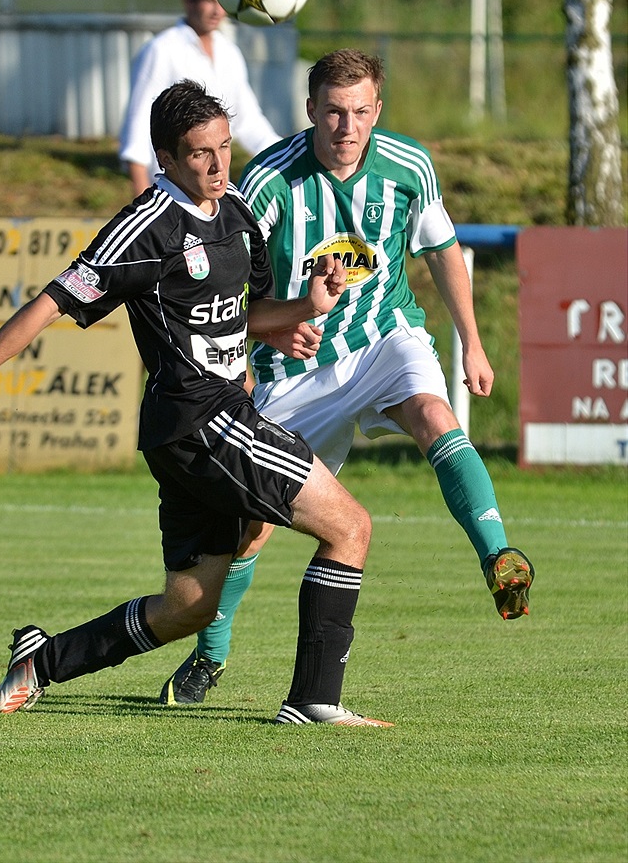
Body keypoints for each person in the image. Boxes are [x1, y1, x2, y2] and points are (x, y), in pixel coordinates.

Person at [0, 80, 393, 728]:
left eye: (225, 148)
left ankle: (45, 661)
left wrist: (303, 310)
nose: (218, 165)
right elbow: (52, 302)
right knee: (350, 527)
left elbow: (246, 314)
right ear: (165, 160)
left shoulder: (237, 214)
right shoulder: (145, 225)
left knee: (191, 605)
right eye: (200, 153)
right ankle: (313, 699)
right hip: (202, 419)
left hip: (203, 425)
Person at [159, 49, 535, 707]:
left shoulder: (410, 166)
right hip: (297, 366)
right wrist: (270, 327)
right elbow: (224, 288)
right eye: (333, 111)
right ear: (311, 110)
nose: (347, 125)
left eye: (361, 111)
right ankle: (210, 656)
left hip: (385, 337)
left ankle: (499, 557)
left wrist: (471, 342)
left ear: (377, 112)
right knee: (252, 524)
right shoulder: (269, 182)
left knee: (434, 416)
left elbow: (443, 250)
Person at [118, 0, 280, 197]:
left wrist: (289, 155)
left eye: (223, 2)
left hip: (212, 189)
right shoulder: (162, 50)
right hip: (168, 189)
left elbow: (249, 121)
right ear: (188, 1)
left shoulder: (229, 52)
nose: (217, 11)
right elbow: (138, 124)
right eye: (209, 1)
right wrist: (142, 195)